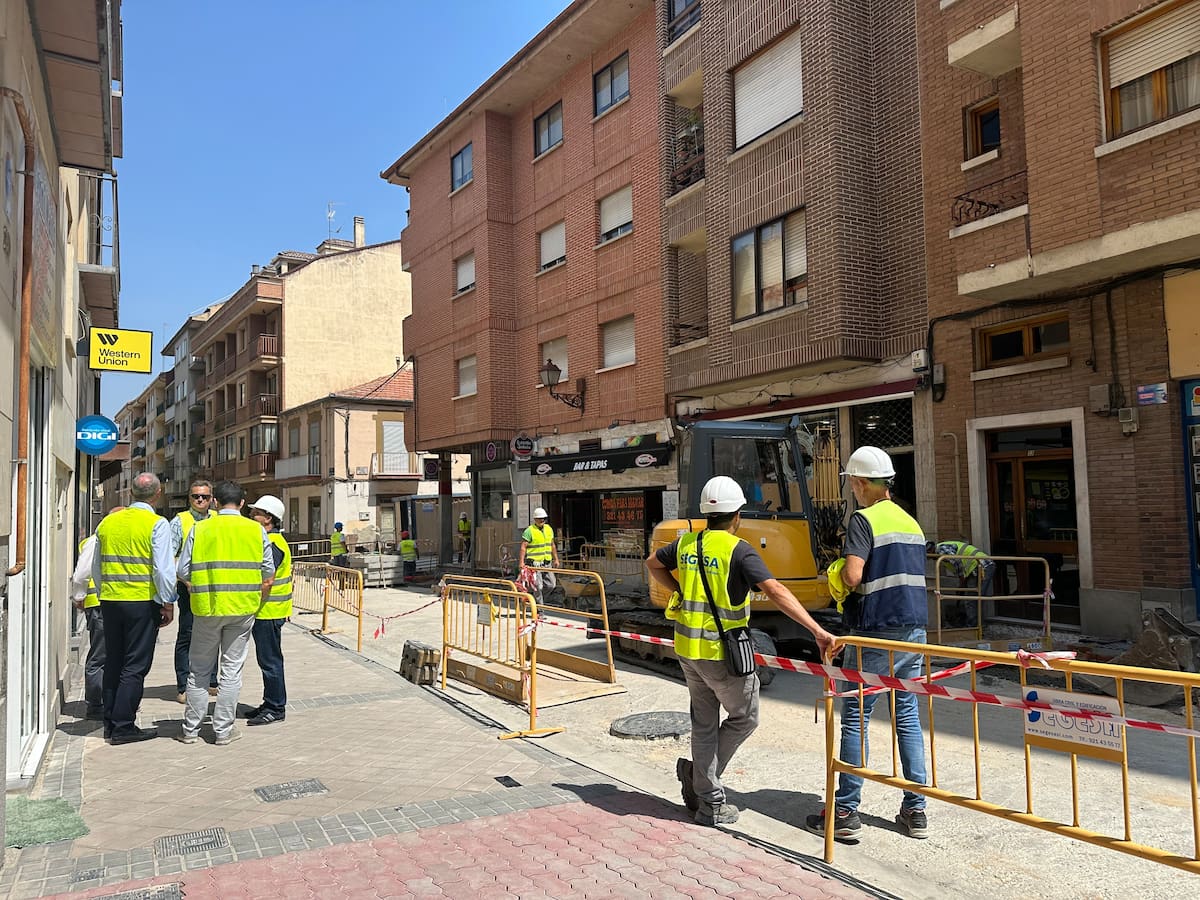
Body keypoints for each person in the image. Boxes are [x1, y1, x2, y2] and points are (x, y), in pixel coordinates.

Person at [646, 476, 837, 827]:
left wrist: (678, 591)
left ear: (706, 514)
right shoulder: (739, 550)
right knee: (745, 717)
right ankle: (706, 789)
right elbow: (776, 591)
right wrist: (817, 631)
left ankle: (704, 792)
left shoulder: (686, 543)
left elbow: (652, 563)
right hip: (723, 654)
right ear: (737, 515)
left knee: (704, 725)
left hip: (687, 649)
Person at [806, 446, 929, 842]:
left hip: (874, 630)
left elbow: (854, 576)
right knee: (907, 715)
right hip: (914, 631)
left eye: (853, 484)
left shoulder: (864, 520)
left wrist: (837, 571)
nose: (853, 491)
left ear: (860, 483)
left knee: (857, 716)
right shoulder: (910, 522)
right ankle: (916, 810)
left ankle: (845, 810)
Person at [176, 480, 275, 746]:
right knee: (231, 671)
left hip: (207, 608)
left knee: (198, 671)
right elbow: (268, 570)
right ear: (242, 503)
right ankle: (223, 731)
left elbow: (182, 570)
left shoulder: (200, 529)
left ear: (215, 502)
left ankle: (190, 730)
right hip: (242, 608)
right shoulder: (255, 530)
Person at [92, 475, 176, 745]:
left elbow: (96, 566)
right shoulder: (157, 524)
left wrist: (104, 592)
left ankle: (110, 722)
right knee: (135, 665)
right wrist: (168, 601)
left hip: (110, 600)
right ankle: (124, 726)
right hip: (141, 602)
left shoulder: (108, 522)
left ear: (131, 493)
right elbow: (163, 569)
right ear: (158, 493)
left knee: (113, 661)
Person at [70, 506, 125, 720]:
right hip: (100, 604)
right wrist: (79, 596)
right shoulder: (95, 541)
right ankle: (95, 704)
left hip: (114, 603)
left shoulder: (118, 539)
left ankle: (113, 700)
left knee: (115, 654)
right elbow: (81, 574)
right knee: (101, 654)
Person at [171, 478, 218, 702]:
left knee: (214, 634)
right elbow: (170, 557)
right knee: (187, 635)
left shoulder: (218, 519)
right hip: (188, 588)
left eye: (204, 496)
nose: (200, 500)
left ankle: (211, 680)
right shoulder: (180, 521)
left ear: (212, 499)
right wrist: (185, 581)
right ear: (189, 498)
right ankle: (183, 686)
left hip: (215, 587)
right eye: (196, 496)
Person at [246, 495, 290, 726]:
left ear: (269, 519)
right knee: (267, 660)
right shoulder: (268, 541)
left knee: (270, 661)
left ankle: (275, 707)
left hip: (268, 612)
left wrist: (252, 603)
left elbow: (267, 580)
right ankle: (269, 702)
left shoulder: (273, 544)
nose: (251, 516)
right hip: (266, 611)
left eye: (256, 513)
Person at [930, 539, 995, 627]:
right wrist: (961, 585)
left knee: (972, 598)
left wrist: (962, 581)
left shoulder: (940, 550)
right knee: (974, 597)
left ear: (930, 550)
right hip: (979, 566)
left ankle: (973, 626)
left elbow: (957, 562)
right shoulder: (941, 550)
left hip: (981, 565)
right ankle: (976, 625)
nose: (929, 558)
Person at [520, 507, 560, 600]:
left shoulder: (549, 529)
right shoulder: (529, 531)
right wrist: (521, 562)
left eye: (543, 518)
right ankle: (539, 607)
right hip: (535, 563)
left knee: (551, 585)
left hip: (547, 562)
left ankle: (536, 601)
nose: (542, 520)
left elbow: (552, 545)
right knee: (538, 586)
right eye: (539, 518)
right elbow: (523, 547)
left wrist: (556, 559)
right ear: (535, 519)